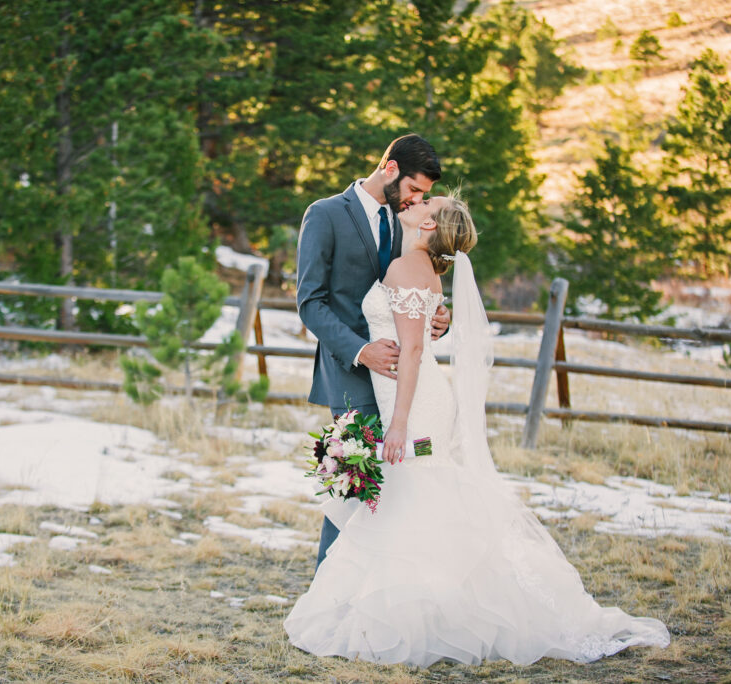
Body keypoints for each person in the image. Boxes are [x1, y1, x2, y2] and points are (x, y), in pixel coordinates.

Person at [284, 192, 670, 667]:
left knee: (415, 490)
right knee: (417, 496)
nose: (414, 202)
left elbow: (413, 352)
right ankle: (425, 604)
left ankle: (416, 613)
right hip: (410, 393)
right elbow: (419, 332)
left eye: (426, 204)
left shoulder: (408, 269)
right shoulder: (416, 266)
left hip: (412, 399)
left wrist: (399, 422)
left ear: (429, 226)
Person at [296, 134, 450, 570]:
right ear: (390, 170)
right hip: (351, 375)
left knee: (402, 489)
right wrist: (361, 351)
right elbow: (310, 302)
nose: (418, 200)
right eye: (415, 189)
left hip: (407, 384)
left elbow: (415, 285)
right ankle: (328, 596)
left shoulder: (407, 221)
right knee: (356, 486)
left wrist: (439, 316)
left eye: (423, 195)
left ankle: (391, 586)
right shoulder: (325, 215)